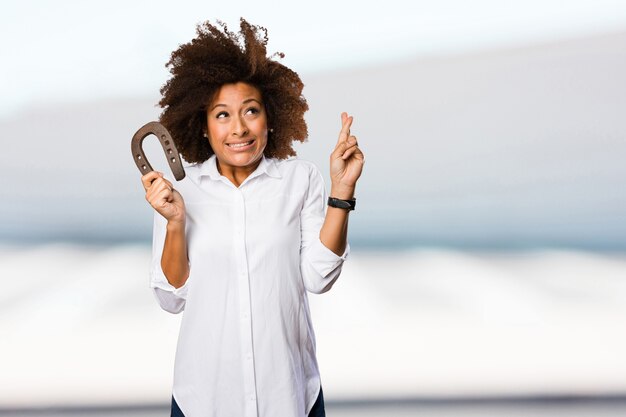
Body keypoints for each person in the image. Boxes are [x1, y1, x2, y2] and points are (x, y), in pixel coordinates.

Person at [141, 18, 364, 417]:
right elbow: (172, 296)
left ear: (271, 117)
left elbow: (318, 277)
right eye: (222, 115)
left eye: (251, 110)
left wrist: (342, 193)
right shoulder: (180, 189)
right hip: (204, 399)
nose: (239, 128)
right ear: (204, 126)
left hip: (290, 395)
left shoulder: (299, 179)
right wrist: (175, 221)